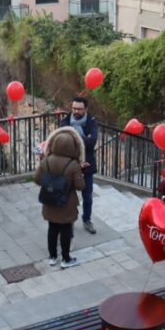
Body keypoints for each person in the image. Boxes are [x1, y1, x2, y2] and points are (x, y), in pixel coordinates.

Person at [33, 126, 86, 268]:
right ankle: (66, 259)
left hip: (50, 202)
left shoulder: (46, 160)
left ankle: (52, 257)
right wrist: (81, 173)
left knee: (52, 229)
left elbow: (37, 179)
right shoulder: (73, 164)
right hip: (66, 203)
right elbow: (80, 186)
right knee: (66, 231)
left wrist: (50, 182)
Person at [59, 96, 99, 234]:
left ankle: (87, 220)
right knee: (69, 197)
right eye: (74, 108)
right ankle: (68, 221)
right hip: (69, 166)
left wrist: (74, 136)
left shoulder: (91, 122)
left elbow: (92, 141)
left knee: (87, 197)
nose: (76, 111)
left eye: (80, 109)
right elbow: (64, 141)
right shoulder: (65, 121)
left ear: (86, 109)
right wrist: (83, 138)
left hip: (86, 166)